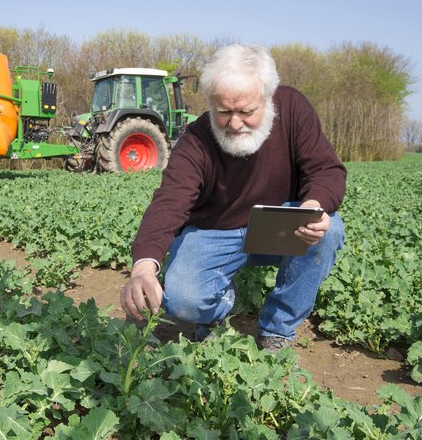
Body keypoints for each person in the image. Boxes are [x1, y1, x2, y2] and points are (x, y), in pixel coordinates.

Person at [120, 43, 346, 351]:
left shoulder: (293, 108)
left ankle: (277, 328)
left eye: (246, 111)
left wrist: (312, 205)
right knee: (183, 300)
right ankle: (219, 308)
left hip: (277, 224)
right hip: (216, 230)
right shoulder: (197, 140)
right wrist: (143, 267)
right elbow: (169, 201)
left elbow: (326, 169)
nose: (234, 123)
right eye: (223, 111)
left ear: (268, 99)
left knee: (328, 230)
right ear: (211, 102)